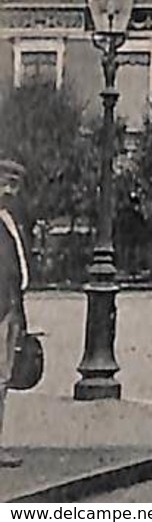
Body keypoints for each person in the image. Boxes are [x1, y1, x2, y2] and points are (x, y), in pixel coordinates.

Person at [0, 160, 29, 467]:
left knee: (2, 379)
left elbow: (15, 269)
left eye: (13, 186)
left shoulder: (8, 220)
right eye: (5, 184)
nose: (9, 191)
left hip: (9, 308)